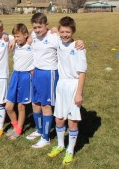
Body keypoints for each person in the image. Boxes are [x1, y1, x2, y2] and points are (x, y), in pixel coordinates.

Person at [26, 13, 84, 148]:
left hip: (49, 74)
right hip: (37, 72)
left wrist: (79, 42)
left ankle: (45, 138)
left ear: (46, 25)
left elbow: (67, 40)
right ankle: (40, 130)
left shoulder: (54, 37)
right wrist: (27, 33)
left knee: (46, 106)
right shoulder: (34, 35)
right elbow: (27, 33)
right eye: (35, 27)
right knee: (35, 104)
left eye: (40, 27)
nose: (37, 30)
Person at [47, 16, 87, 165]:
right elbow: (51, 29)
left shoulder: (78, 48)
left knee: (72, 122)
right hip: (61, 85)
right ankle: (60, 145)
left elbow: (82, 73)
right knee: (58, 118)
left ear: (73, 31)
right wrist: (55, 30)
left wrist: (78, 94)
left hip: (73, 86)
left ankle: (70, 150)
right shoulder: (58, 40)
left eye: (68, 32)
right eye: (62, 31)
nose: (65, 34)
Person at [5, 23, 34, 139]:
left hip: (26, 76)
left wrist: (29, 36)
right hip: (15, 75)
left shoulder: (31, 44)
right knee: (8, 107)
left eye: (18, 36)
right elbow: (7, 37)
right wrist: (13, 40)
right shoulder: (14, 43)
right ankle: (15, 125)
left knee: (21, 106)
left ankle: (19, 130)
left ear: (26, 35)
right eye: (15, 36)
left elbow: (40, 31)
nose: (16, 39)